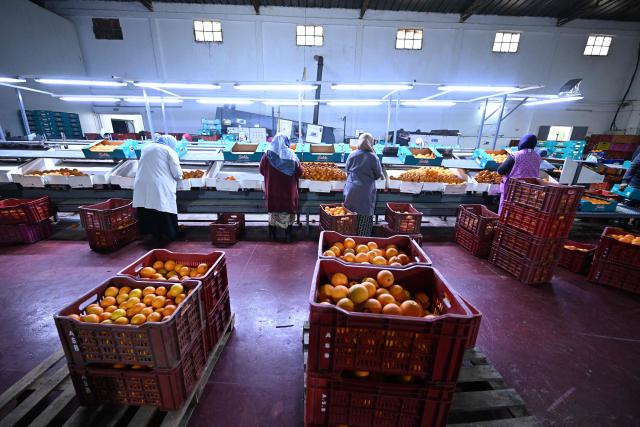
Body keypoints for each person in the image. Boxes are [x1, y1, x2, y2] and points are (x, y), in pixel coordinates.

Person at [133, 134, 183, 243]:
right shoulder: (169, 150)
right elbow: (177, 173)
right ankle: (169, 234)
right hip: (159, 185)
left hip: (141, 183)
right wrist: (181, 177)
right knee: (163, 209)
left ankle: (151, 234)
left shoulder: (146, 147)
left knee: (147, 208)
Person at [259, 133, 303, 242]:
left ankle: (272, 236)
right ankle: (288, 236)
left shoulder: (266, 155)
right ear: (287, 142)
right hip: (288, 193)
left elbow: (261, 170)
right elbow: (300, 172)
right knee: (288, 213)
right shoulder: (292, 156)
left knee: (273, 213)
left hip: (272, 191)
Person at [344, 133, 384, 236]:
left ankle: (349, 239)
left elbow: (347, 170)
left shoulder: (352, 154)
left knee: (350, 215)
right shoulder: (373, 157)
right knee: (364, 216)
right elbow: (378, 174)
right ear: (371, 143)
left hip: (351, 189)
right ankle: (362, 239)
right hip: (365, 190)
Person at [497, 134, 542, 214]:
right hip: (530, 189)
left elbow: (501, 171)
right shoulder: (538, 157)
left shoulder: (516, 155)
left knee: (507, 209)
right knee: (522, 211)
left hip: (513, 188)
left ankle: (503, 223)